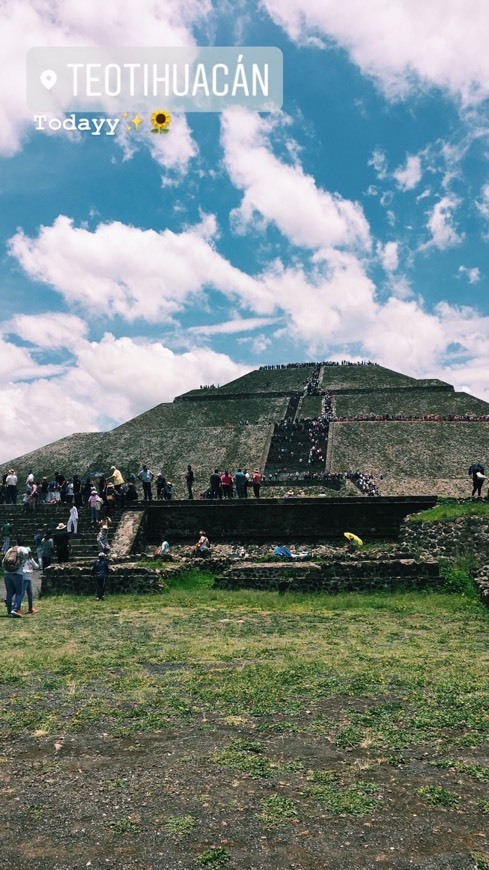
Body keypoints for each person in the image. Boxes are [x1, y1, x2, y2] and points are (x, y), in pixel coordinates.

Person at [3, 542, 30, 616]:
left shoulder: (10, 550)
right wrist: (23, 562)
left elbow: (3, 561)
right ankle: (15, 609)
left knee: (9, 592)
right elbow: (25, 553)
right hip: (17, 573)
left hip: (7, 574)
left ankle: (9, 611)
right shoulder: (22, 548)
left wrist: (6, 570)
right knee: (19, 592)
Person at [21, 548, 40, 613]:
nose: (28, 555)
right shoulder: (22, 560)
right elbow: (21, 569)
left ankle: (30, 608)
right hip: (23, 578)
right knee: (22, 593)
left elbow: (37, 566)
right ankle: (16, 608)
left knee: (30, 594)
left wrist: (32, 561)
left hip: (28, 578)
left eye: (29, 553)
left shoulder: (30, 560)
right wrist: (27, 571)